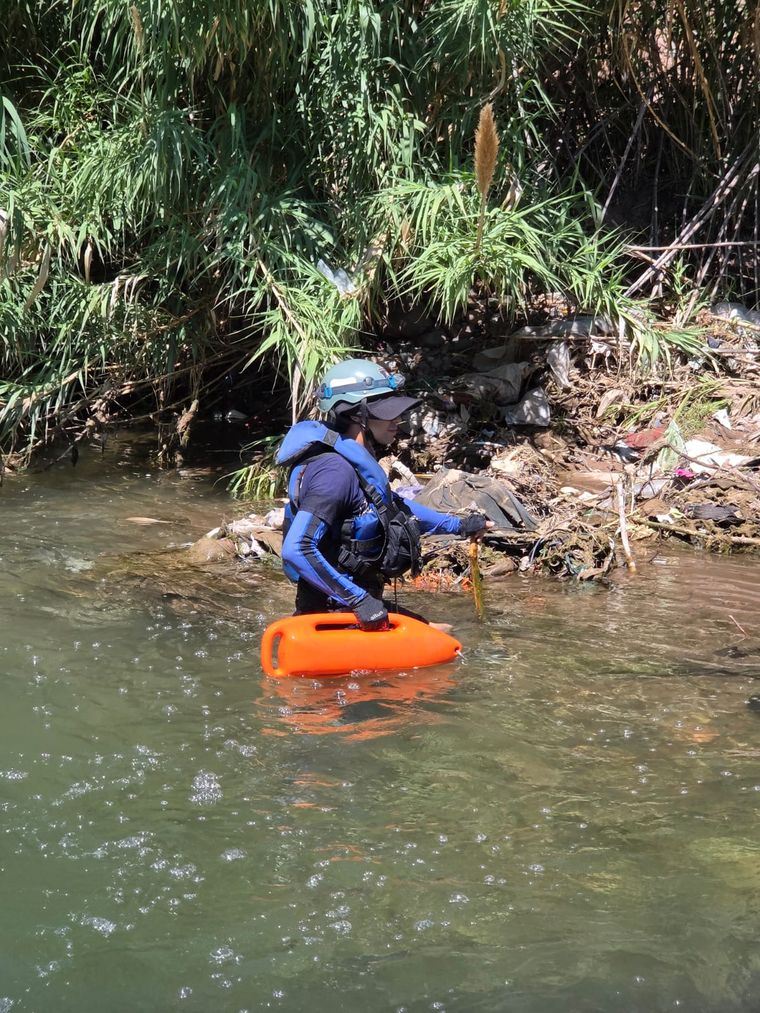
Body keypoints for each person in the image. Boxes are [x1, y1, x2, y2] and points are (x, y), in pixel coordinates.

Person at [277, 358, 492, 630]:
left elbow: (392, 508)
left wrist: (460, 526)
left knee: (445, 633)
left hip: (353, 607)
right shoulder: (334, 472)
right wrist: (360, 602)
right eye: (387, 412)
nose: (397, 421)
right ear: (357, 415)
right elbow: (296, 549)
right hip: (332, 615)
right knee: (446, 645)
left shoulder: (355, 463)